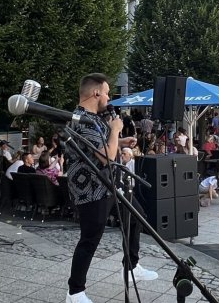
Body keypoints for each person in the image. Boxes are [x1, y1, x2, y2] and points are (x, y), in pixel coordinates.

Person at [66, 74, 154, 303]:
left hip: (108, 186)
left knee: (137, 217)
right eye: (106, 92)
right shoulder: (81, 119)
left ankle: (132, 266)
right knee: (90, 238)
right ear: (96, 93)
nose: (108, 97)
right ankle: (74, 293)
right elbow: (105, 156)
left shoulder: (93, 118)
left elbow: (102, 146)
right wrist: (115, 130)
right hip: (92, 189)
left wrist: (121, 141)